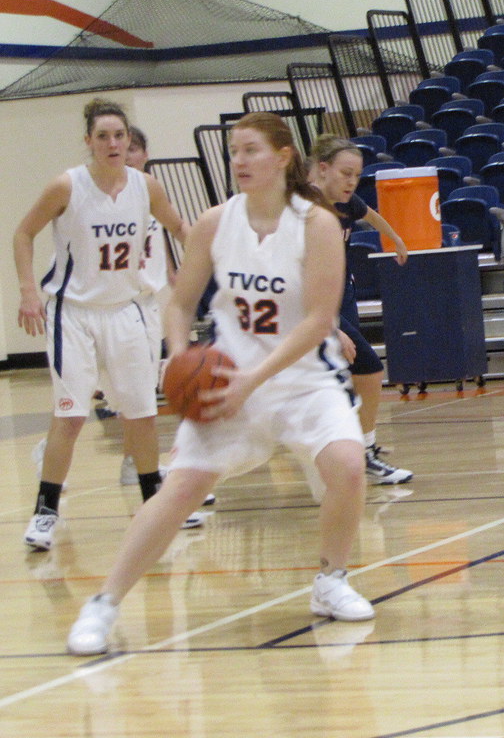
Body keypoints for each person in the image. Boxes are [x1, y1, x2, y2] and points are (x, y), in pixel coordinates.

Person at [66, 112, 375, 656]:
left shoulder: (317, 224)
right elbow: (180, 304)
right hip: (228, 376)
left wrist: (253, 379)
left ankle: (331, 579)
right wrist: (179, 356)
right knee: (180, 488)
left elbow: (317, 319)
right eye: (233, 152)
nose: (238, 161)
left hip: (303, 378)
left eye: (250, 150)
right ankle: (104, 603)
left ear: (283, 157)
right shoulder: (214, 222)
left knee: (347, 464)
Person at [15, 99, 188, 550]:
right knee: (70, 415)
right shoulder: (66, 186)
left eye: (119, 136)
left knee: (142, 413)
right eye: (103, 136)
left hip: (126, 311)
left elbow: (180, 228)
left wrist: (212, 260)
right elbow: (23, 233)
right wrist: (28, 291)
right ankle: (45, 512)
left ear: (129, 140)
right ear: (89, 142)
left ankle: (155, 505)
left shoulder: (145, 186)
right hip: (73, 313)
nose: (113, 144)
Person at [307, 135, 413, 485]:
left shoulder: (346, 202)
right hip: (313, 304)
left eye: (357, 175)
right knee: (368, 369)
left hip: (341, 292)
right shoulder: (304, 209)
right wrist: (329, 327)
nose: (352, 182)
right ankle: (361, 452)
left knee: (351, 371)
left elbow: (371, 215)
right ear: (323, 170)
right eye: (345, 173)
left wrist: (395, 239)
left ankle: (354, 449)